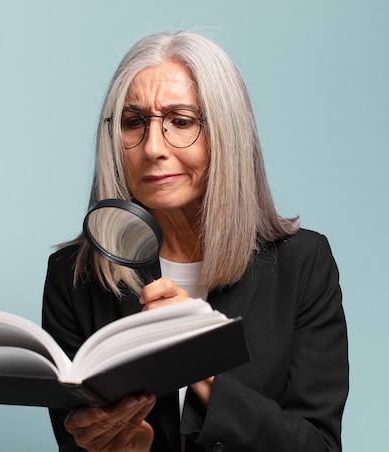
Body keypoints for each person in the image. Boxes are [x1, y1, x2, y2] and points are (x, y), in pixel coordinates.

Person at [41, 30, 348, 452]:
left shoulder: (303, 264)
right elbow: (76, 440)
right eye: (134, 122)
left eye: (181, 121)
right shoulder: (74, 276)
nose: (152, 148)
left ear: (227, 134)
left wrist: (202, 368)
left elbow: (319, 446)